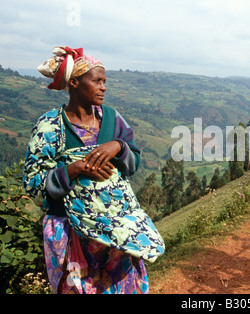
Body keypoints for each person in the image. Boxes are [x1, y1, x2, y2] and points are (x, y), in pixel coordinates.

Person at [23, 46, 165, 294]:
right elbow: (33, 184)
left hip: (116, 232)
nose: (103, 87)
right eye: (96, 81)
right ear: (75, 82)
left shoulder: (112, 119)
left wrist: (118, 146)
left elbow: (134, 162)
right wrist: (74, 169)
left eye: (104, 81)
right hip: (71, 233)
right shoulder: (50, 126)